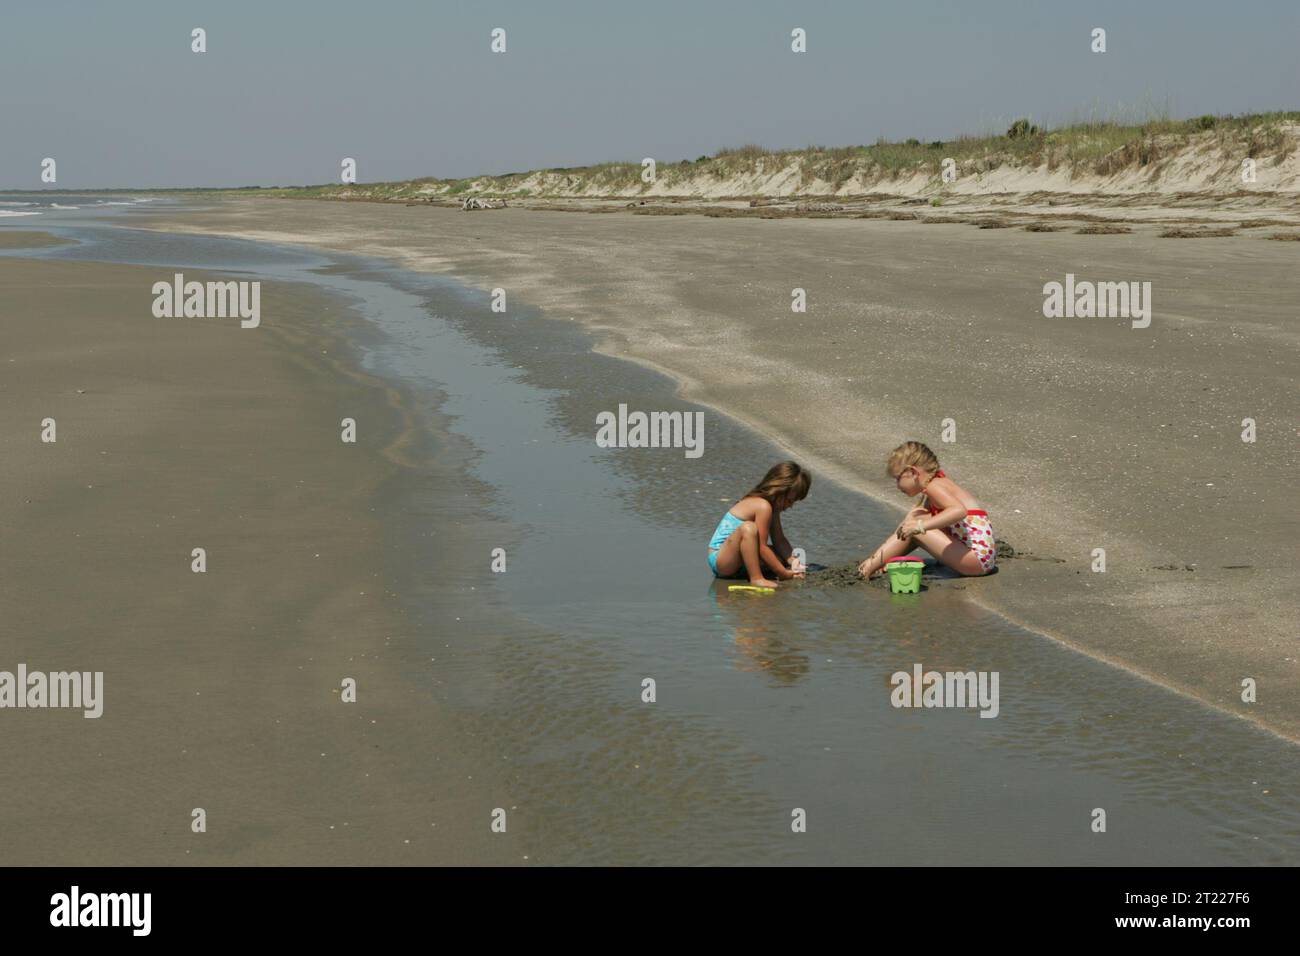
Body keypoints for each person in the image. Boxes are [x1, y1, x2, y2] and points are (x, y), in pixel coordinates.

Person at [858, 442, 995, 578]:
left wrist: (919, 526)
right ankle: (877, 563)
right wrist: (914, 524)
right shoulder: (935, 484)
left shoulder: (934, 486)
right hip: (977, 558)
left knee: (915, 527)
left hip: (976, 561)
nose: (897, 485)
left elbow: (959, 511)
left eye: (897, 478)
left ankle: (867, 568)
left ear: (913, 472)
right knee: (915, 521)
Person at [707, 461, 810, 587]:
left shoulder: (772, 508)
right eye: (789, 500)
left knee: (779, 556)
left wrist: (793, 562)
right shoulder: (763, 506)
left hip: (738, 559)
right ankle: (756, 578)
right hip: (722, 560)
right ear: (778, 489)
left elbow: (779, 540)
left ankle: (755, 572)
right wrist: (782, 573)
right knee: (749, 528)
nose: (790, 506)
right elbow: (761, 547)